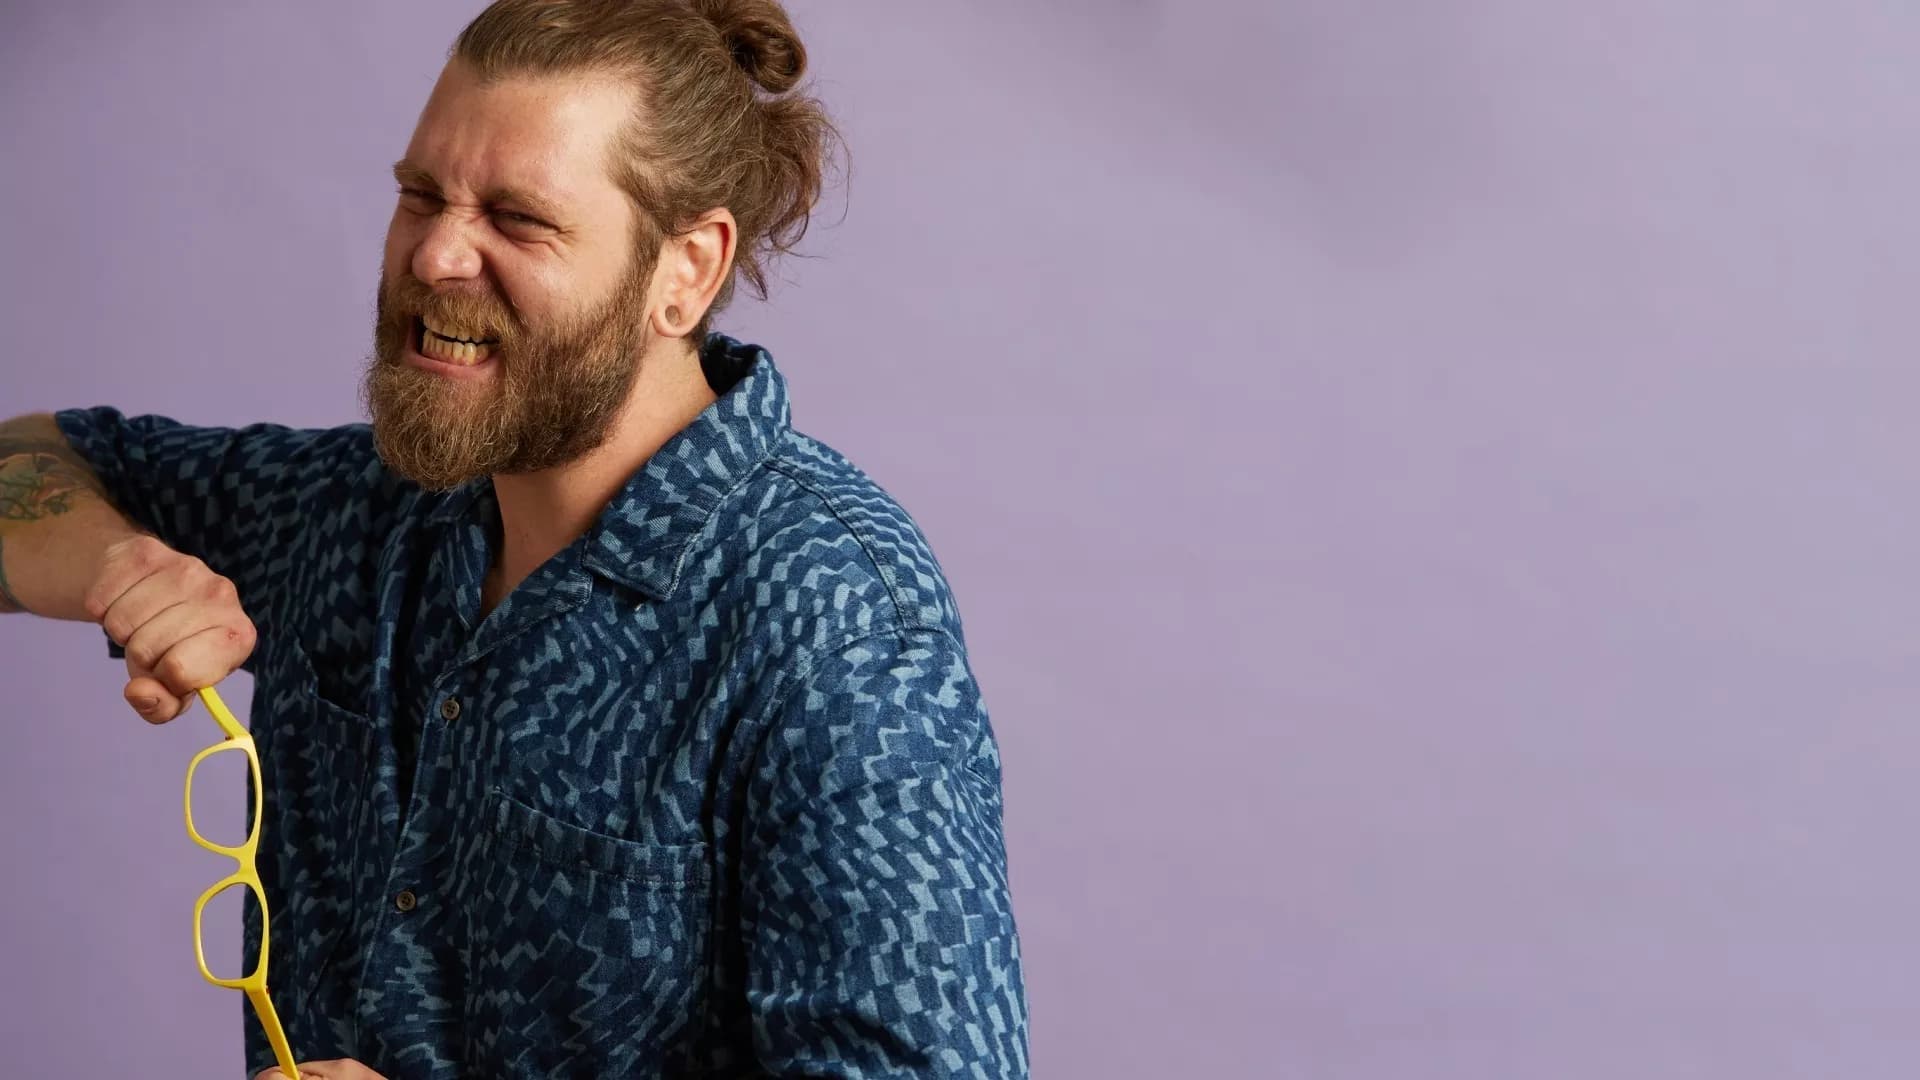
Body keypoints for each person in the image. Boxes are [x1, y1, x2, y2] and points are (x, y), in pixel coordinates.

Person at [0, 0, 1028, 1076]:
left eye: (520, 218)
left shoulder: (835, 620)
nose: (438, 253)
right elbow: (27, 461)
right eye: (419, 195)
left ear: (686, 271)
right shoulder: (353, 510)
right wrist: (123, 567)